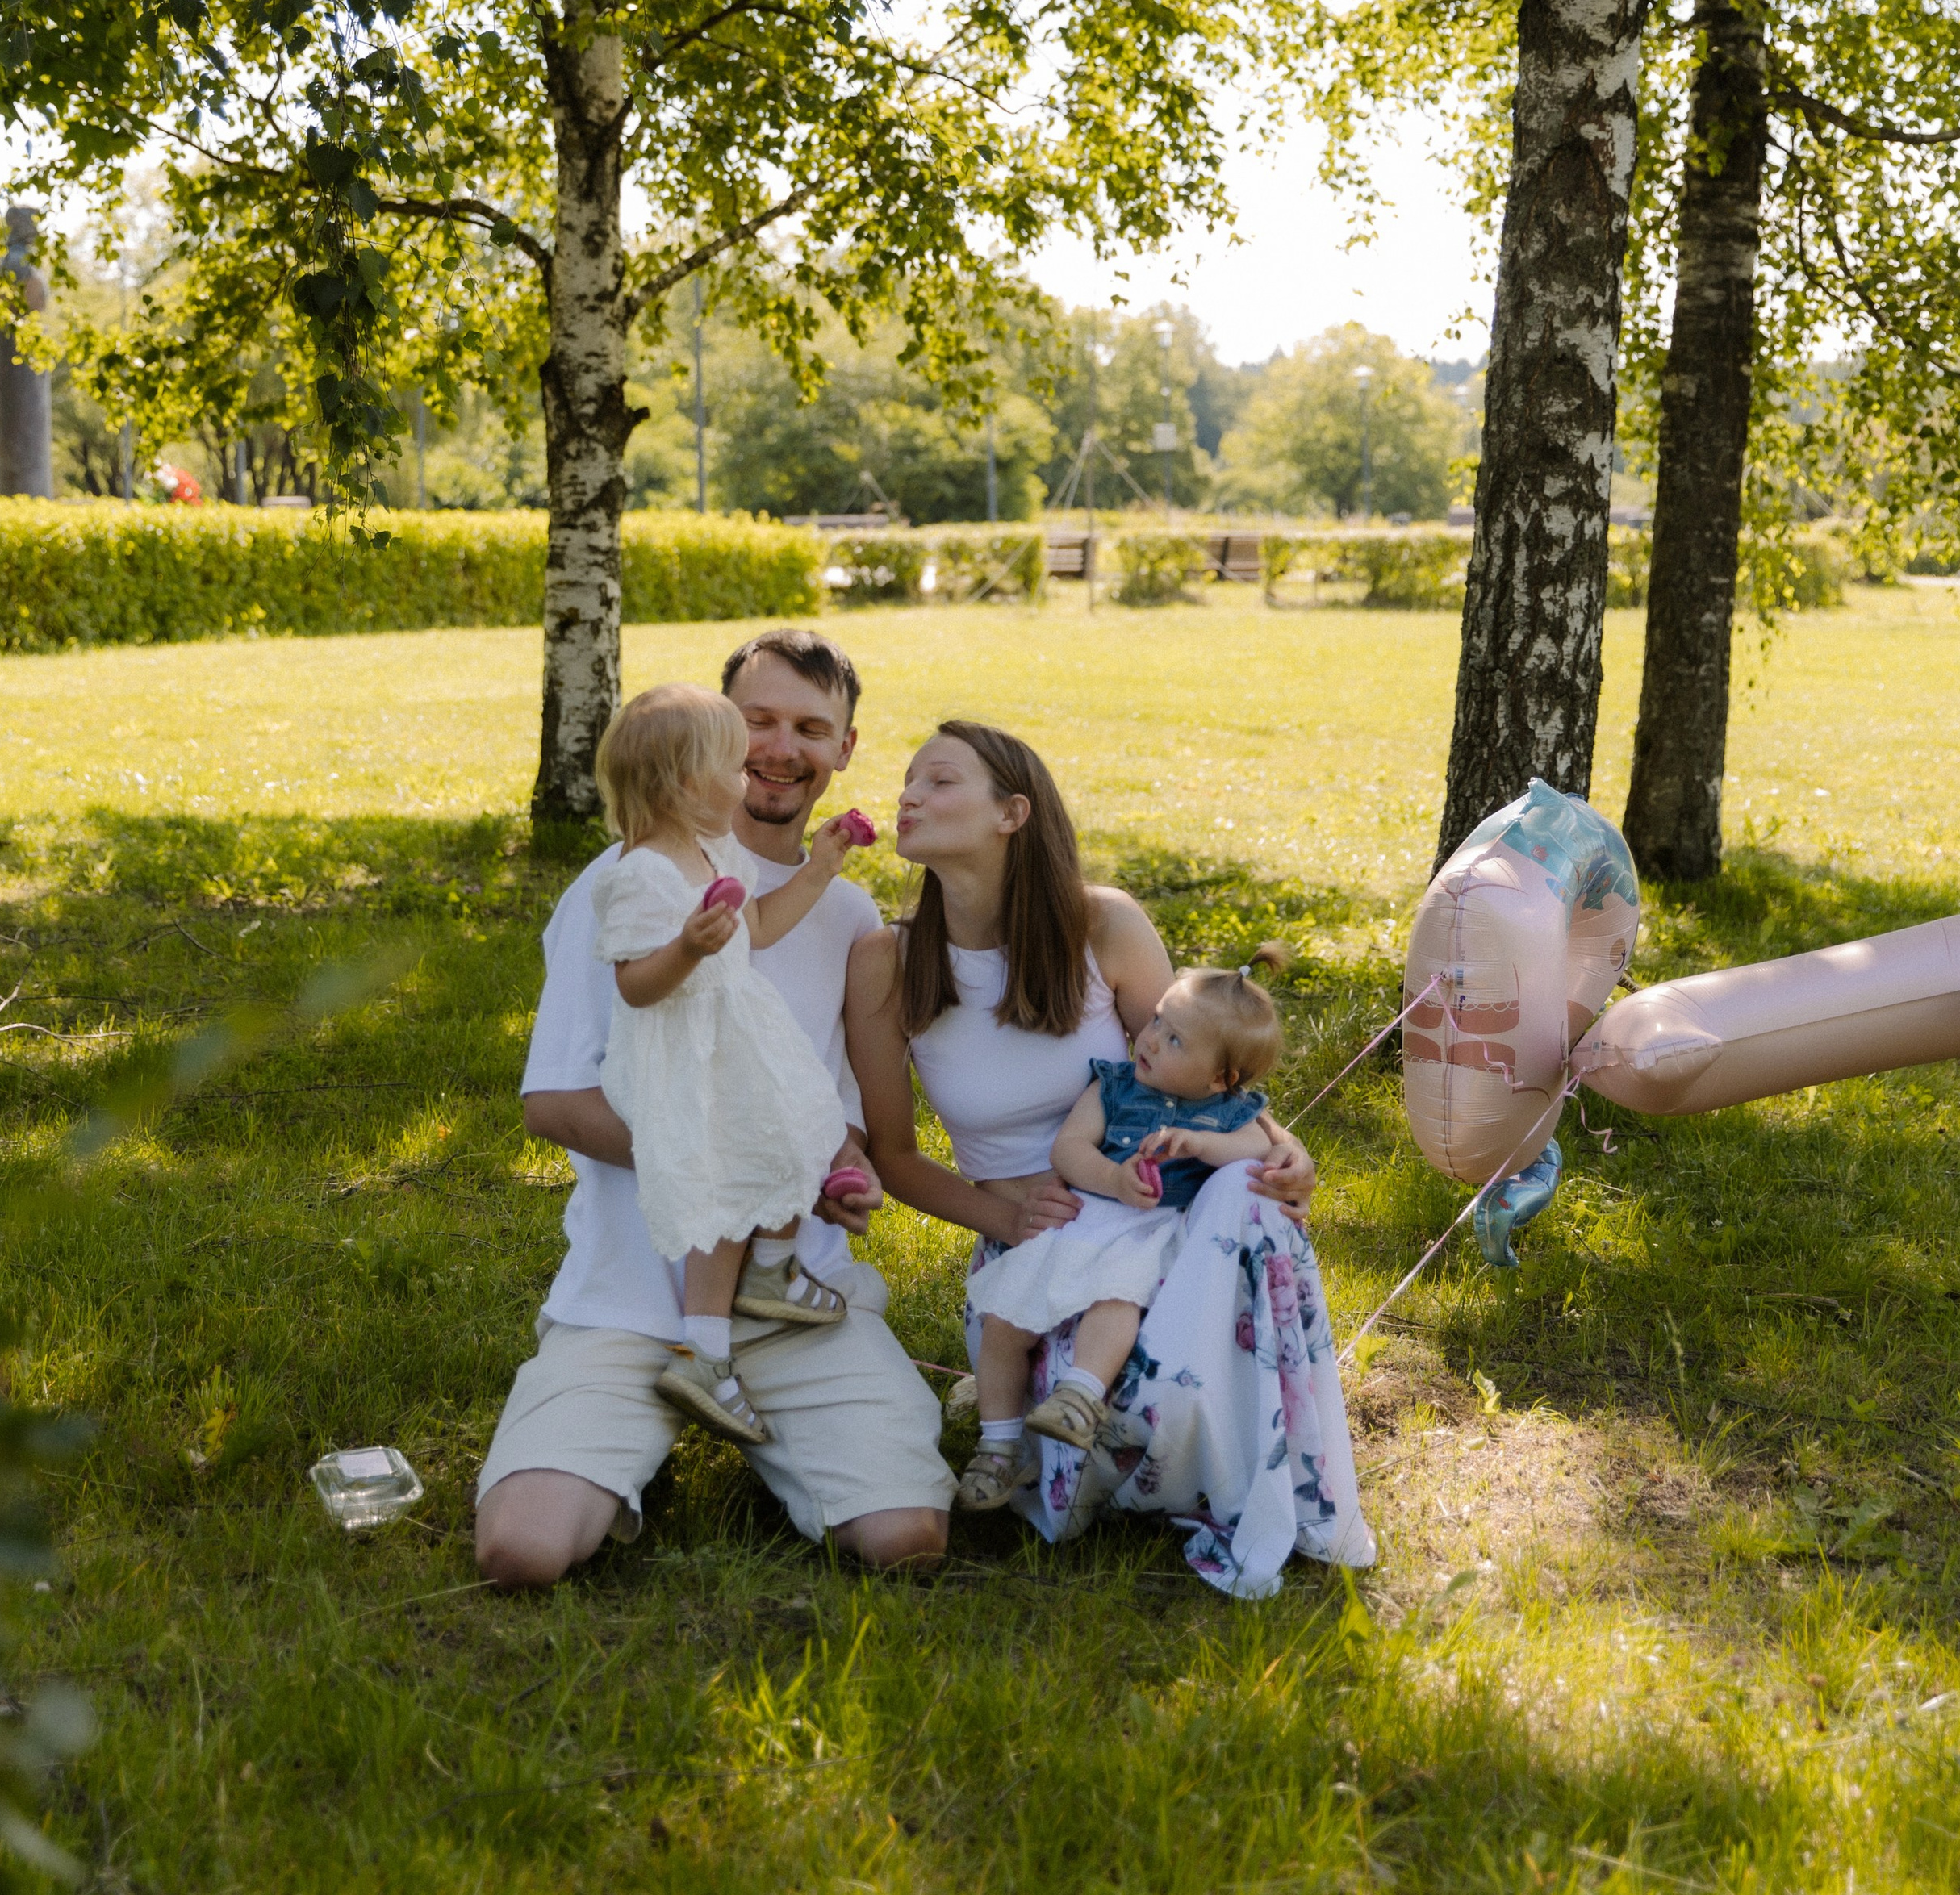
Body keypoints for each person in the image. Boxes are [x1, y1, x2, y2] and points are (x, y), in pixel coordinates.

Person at [846, 720, 1373, 1598]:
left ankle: (1282, 1464)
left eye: (938, 780)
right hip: (1036, 1254)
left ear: (1013, 814)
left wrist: (1289, 1152)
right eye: (908, 780)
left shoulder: (1103, 926)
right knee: (1117, 1418)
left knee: (1249, 1192)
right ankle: (1072, 1425)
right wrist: (1008, 1217)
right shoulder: (887, 962)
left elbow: (1198, 1073)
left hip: (1161, 1227)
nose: (909, 795)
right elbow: (894, 1156)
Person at [475, 632, 955, 1587]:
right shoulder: (624, 884)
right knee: (522, 1550)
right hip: (628, 1302)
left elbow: (835, 1119)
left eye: (809, 729)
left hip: (789, 1298)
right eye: (756, 722)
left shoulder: (847, 917)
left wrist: (839, 1172)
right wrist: (739, 1157)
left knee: (906, 1539)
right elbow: (554, 1106)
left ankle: (765, 1406)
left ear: (845, 749)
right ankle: (641, 1425)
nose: (778, 749)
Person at [590, 682, 865, 1446]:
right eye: (735, 768)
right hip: (686, 1052)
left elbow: (761, 927)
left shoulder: (716, 849)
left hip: (738, 1035)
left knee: (801, 1129)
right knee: (728, 1177)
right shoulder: (641, 874)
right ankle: (704, 1349)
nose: (748, 780)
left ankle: (771, 1265)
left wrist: (822, 865)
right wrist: (686, 947)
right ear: (686, 783)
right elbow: (634, 986)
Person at [961, 957, 1283, 1501]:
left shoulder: (1229, 1112)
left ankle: (1081, 1396)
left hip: (1148, 1233)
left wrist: (1200, 1144)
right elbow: (1069, 1148)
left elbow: (1258, 1147)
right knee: (1004, 1321)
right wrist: (1114, 1178)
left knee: (1117, 1299)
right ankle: (997, 1448)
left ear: (1220, 1079)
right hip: (1085, 1218)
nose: (1151, 1040)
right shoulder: (1112, 1086)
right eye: (1157, 1020)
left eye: (1175, 1040)